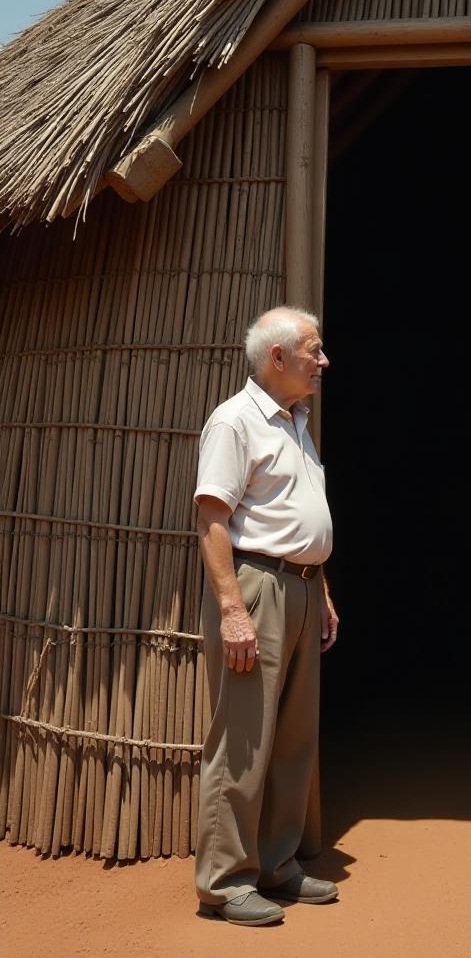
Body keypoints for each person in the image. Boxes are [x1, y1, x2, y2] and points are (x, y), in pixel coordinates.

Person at [193, 306, 340, 926]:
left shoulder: (296, 420)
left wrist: (322, 589)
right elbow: (211, 518)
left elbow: (297, 516)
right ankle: (226, 882)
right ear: (276, 358)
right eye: (314, 349)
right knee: (244, 739)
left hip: (302, 590)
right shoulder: (234, 422)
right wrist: (232, 608)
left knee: (292, 738)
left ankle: (277, 864)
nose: (324, 361)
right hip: (257, 589)